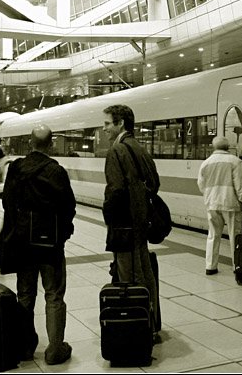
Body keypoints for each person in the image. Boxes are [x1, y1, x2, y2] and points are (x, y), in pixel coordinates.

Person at [0, 125, 76, 365]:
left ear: (29, 143)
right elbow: (68, 207)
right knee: (54, 295)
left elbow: (8, 204)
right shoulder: (57, 171)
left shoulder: (16, 168)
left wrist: (19, 228)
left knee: (25, 294)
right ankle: (54, 349)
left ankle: (24, 347)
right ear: (51, 144)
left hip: (23, 243)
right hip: (50, 244)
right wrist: (62, 234)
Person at [102, 104, 160, 339]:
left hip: (124, 226)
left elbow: (115, 192)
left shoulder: (117, 151)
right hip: (140, 224)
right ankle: (151, 324)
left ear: (120, 124)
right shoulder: (140, 148)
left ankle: (137, 330)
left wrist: (108, 215)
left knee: (129, 278)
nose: (104, 129)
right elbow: (155, 183)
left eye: (107, 124)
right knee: (145, 275)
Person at [197, 136, 242, 275]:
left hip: (212, 203)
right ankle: (237, 265)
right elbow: (241, 186)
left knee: (213, 235)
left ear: (214, 147)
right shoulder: (235, 161)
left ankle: (210, 266)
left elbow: (201, 185)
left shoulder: (206, 163)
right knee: (235, 236)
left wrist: (210, 196)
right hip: (230, 203)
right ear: (228, 147)